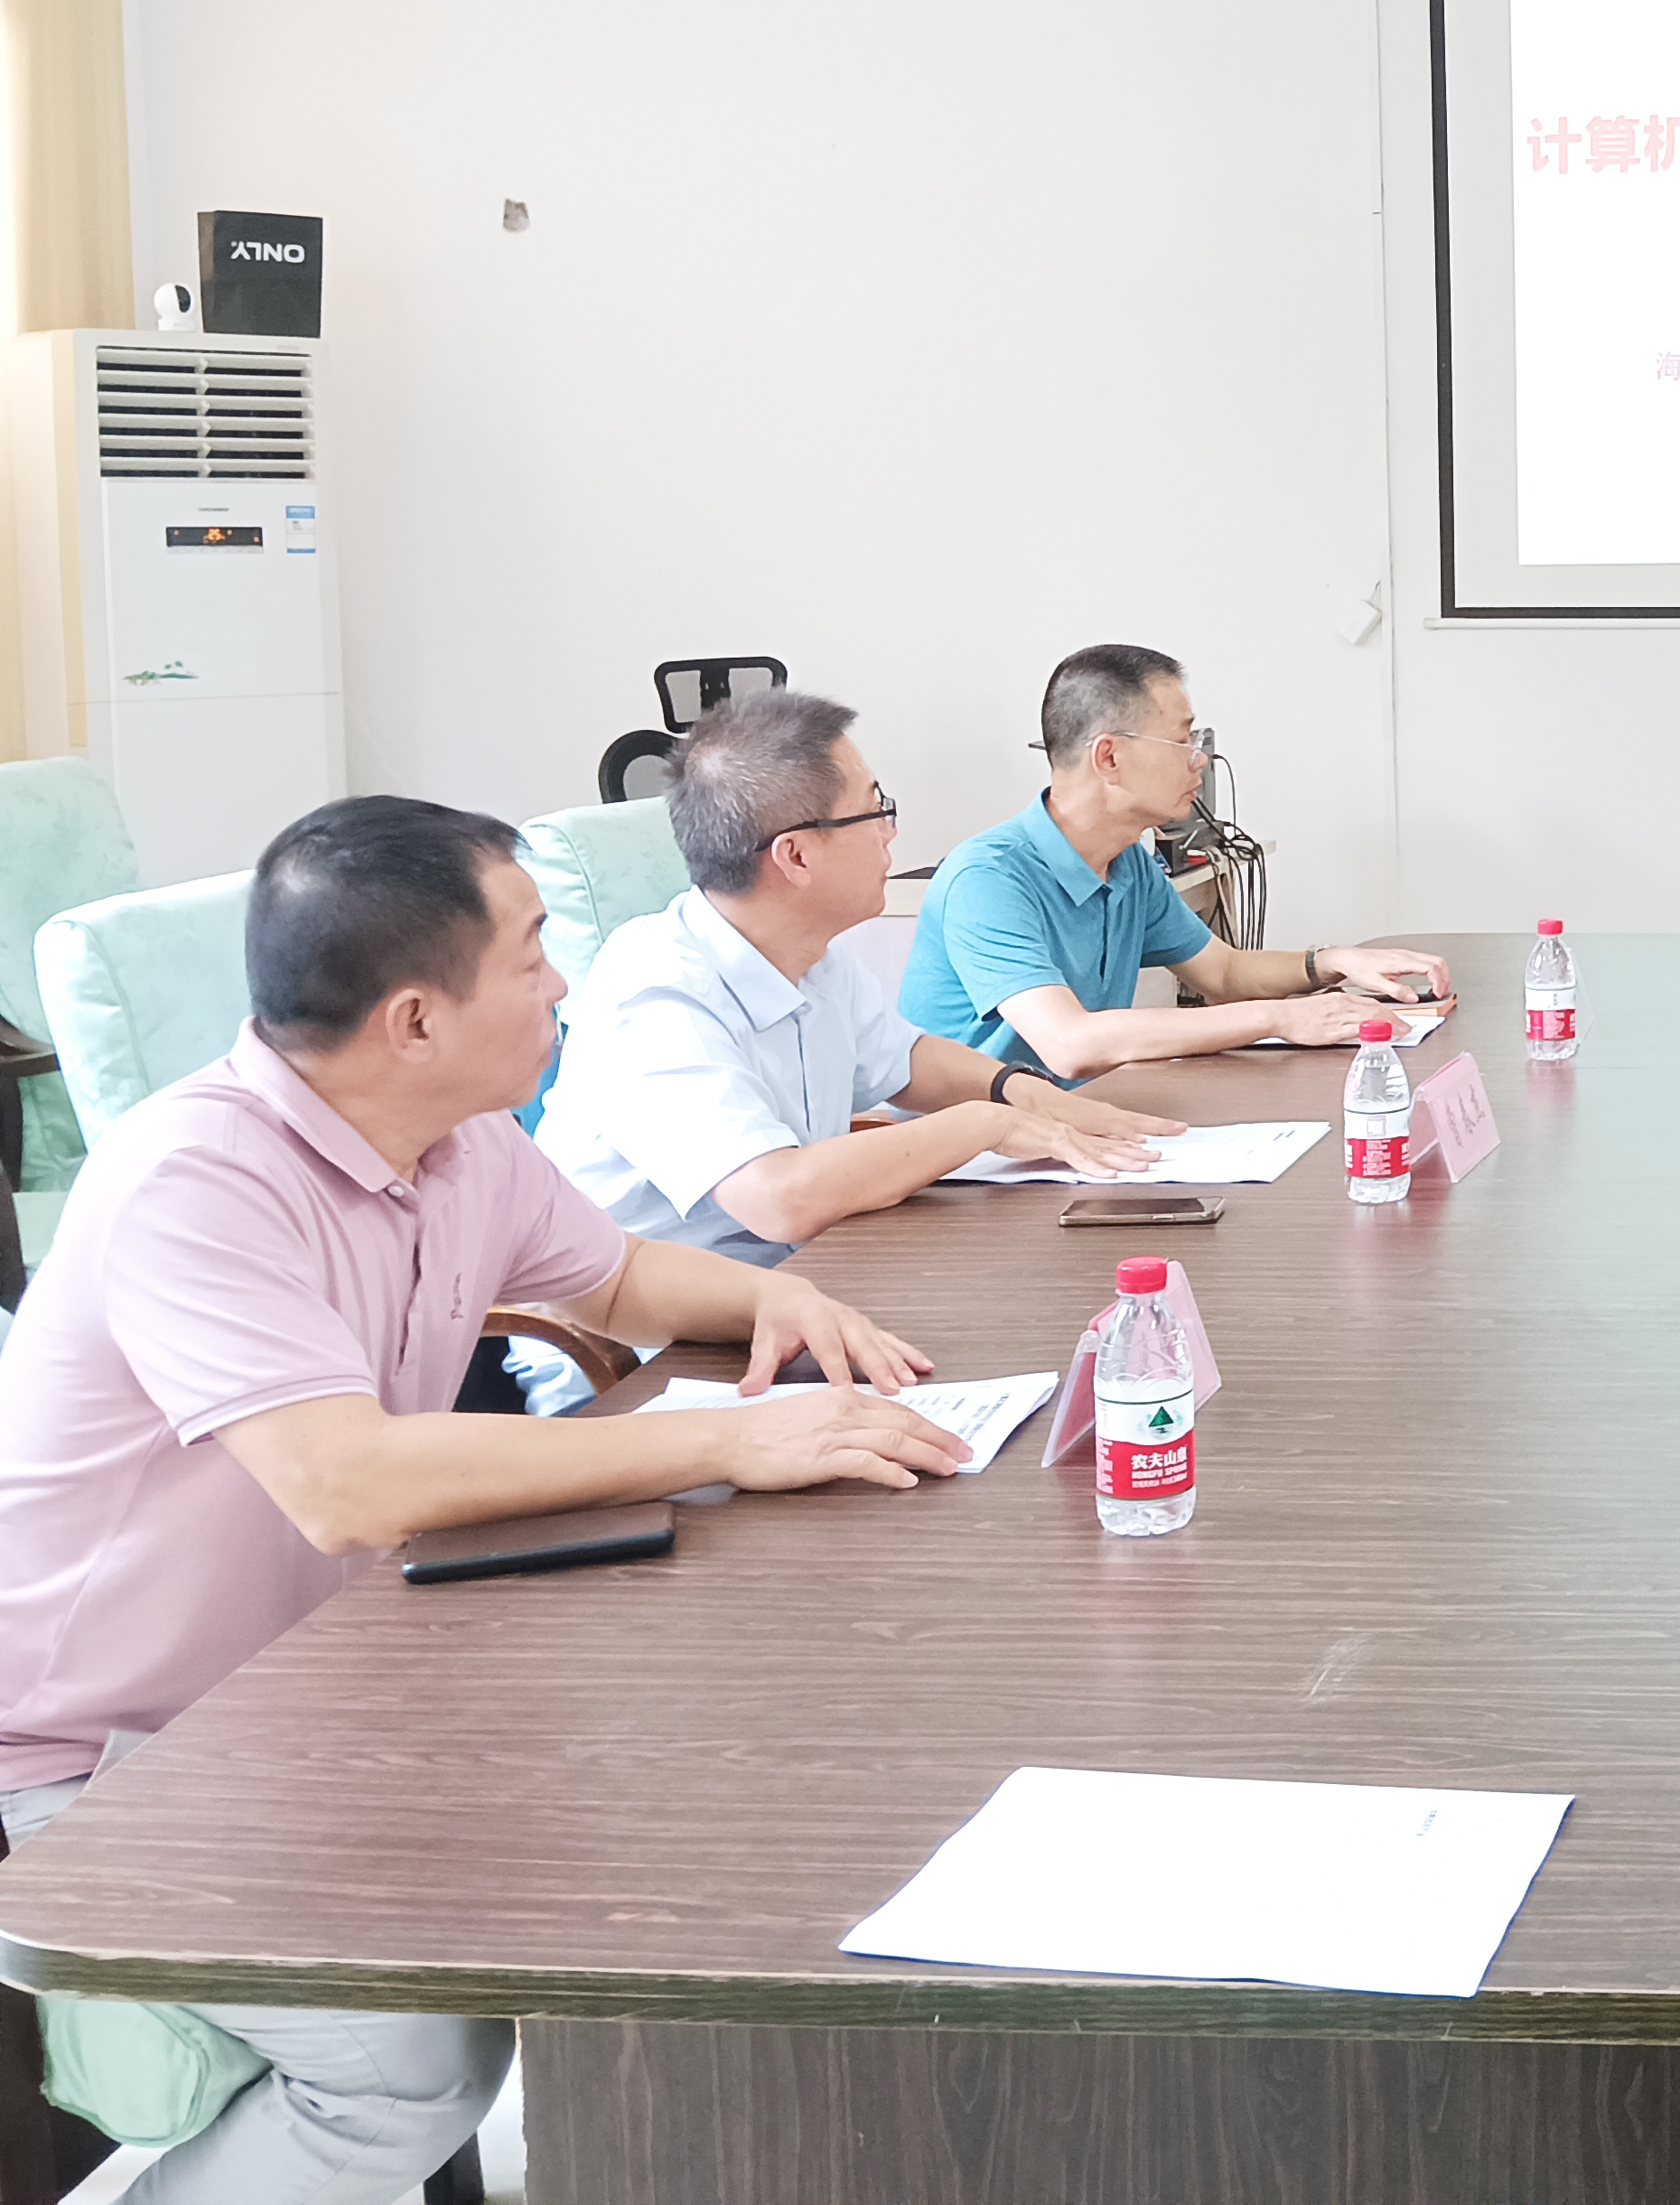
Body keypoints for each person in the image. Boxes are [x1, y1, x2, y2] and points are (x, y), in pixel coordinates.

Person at [0, 799, 969, 2204]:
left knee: (696, 1829)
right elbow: (346, 1485)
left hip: (321, 1686)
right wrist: (734, 1441)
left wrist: (781, 1302)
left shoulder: (459, 1141)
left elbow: (618, 1279)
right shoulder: (194, 1178)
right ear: (414, 1019)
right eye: (529, 955)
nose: (561, 983)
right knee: (412, 2072)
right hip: (106, 1760)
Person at [537, 690, 1188, 1262]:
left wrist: (1020, 1090)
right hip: (657, 1345)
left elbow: (905, 1062)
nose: (890, 835)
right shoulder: (654, 992)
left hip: (798, 1285)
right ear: (795, 855)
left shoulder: (810, 956)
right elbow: (777, 1199)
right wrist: (984, 1124)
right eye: (875, 809)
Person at [902, 644, 1451, 1075]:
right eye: (1183, 741)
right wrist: (1282, 1017)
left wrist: (1330, 962)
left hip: (1075, 1128)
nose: (1200, 760)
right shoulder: (989, 879)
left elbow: (1224, 972)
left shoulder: (1129, 863)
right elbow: (1069, 1044)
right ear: (1109, 756)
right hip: (973, 1158)